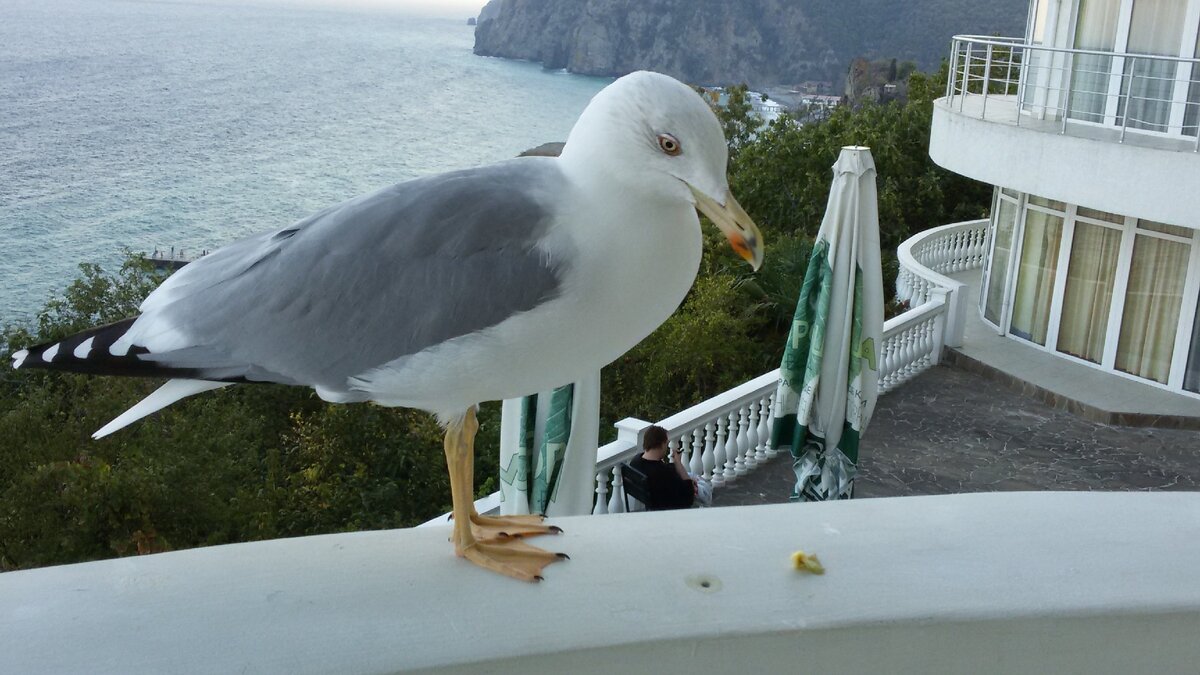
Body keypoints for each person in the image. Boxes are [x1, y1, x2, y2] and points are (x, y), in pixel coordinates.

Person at [629, 425, 712, 510]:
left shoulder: (635, 461)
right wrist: (678, 463)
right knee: (704, 489)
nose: (667, 447)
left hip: (654, 502)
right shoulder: (664, 473)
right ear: (662, 444)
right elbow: (689, 496)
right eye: (666, 443)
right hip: (669, 510)